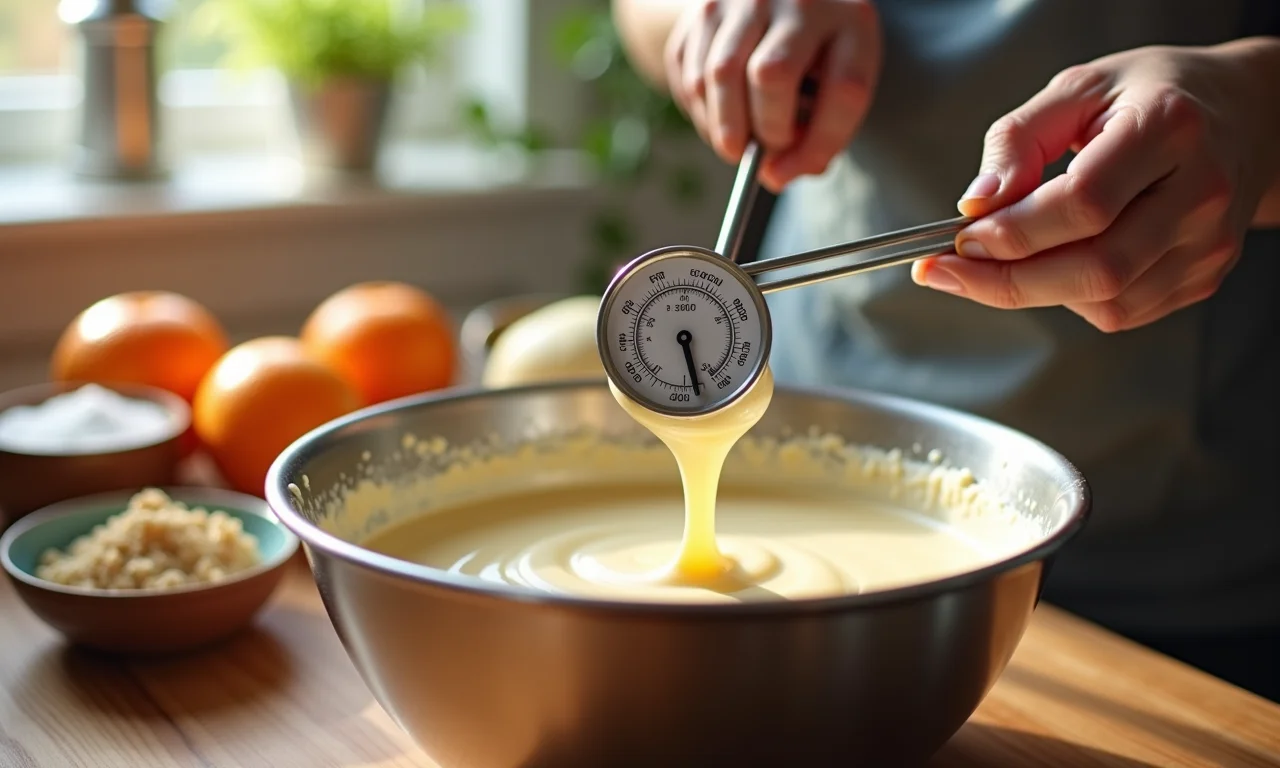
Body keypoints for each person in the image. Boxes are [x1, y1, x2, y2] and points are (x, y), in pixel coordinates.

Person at [612, 0, 1280, 702]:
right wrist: (707, 22)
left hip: (1189, 572)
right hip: (812, 442)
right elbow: (644, 14)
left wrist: (1259, 109)